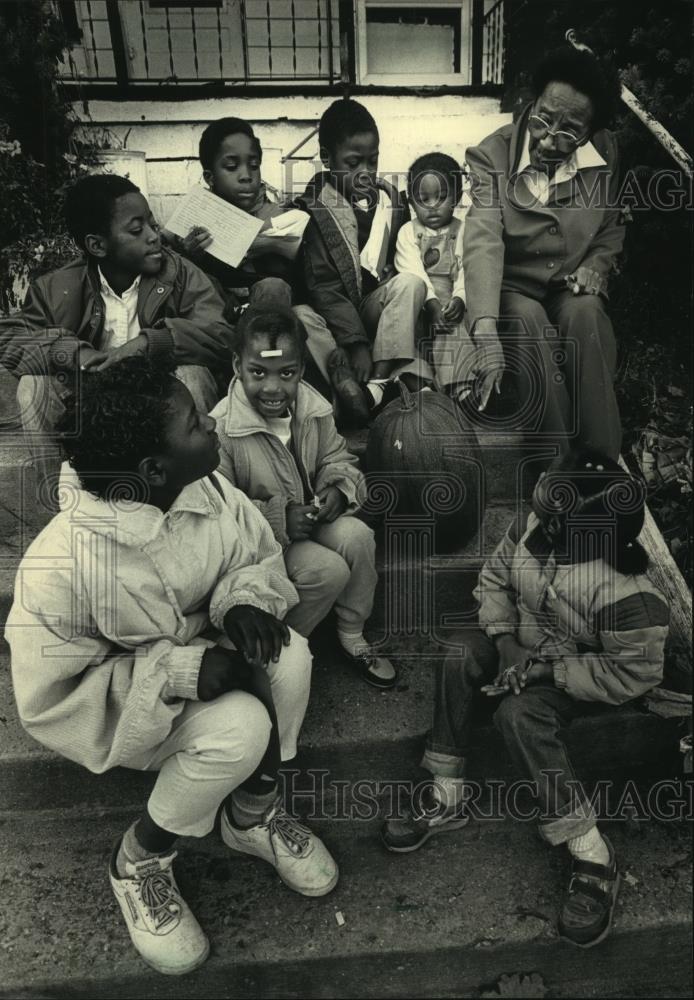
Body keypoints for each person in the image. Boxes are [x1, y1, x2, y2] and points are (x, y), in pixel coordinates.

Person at [6, 356, 338, 976]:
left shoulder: (205, 486)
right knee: (241, 728)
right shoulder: (62, 565)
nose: (211, 423)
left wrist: (242, 600)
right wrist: (180, 672)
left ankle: (251, 815)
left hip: (209, 657)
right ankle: (139, 860)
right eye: (193, 422)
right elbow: (51, 699)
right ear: (153, 470)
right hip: (132, 710)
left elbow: (254, 553)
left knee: (288, 655)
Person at [381, 449, 669, 948]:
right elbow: (494, 579)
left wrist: (545, 672)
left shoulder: (630, 595)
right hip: (521, 644)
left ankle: (591, 851)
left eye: (558, 523)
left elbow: (634, 671)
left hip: (580, 677)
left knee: (519, 715)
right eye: (545, 513)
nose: (543, 528)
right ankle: (446, 792)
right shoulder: (534, 526)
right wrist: (504, 641)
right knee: (457, 653)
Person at [0, 173, 232, 502]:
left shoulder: (180, 275)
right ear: (97, 244)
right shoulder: (56, 287)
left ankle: (201, 499)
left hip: (161, 402)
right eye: (137, 230)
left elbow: (221, 336)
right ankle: (63, 508)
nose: (155, 237)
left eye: (153, 224)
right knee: (32, 388)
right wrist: (73, 354)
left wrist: (151, 344)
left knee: (194, 376)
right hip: (95, 406)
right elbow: (11, 339)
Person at [211, 305, 397, 688]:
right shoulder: (223, 429)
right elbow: (221, 514)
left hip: (314, 520)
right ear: (236, 365)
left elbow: (337, 457)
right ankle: (276, 650)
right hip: (266, 545)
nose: (274, 388)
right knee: (328, 570)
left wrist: (338, 491)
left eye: (287, 373)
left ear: (301, 369)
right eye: (257, 372)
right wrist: (279, 518)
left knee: (358, 536)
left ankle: (351, 633)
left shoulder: (313, 408)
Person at [463, 46, 626, 461]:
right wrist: (484, 330)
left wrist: (596, 264)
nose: (549, 140)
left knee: (586, 312)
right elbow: (483, 236)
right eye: (543, 119)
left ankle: (601, 462)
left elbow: (609, 226)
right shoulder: (490, 155)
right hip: (514, 286)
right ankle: (554, 469)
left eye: (570, 131)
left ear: (591, 132)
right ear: (531, 103)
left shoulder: (605, 152)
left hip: (567, 284)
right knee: (528, 320)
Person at [295, 98, 434, 419]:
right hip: (332, 317)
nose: (365, 173)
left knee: (411, 284)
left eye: (373, 162)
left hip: (373, 306)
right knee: (301, 317)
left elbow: (401, 262)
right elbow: (325, 287)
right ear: (327, 159)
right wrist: (357, 345)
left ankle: (378, 380)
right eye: (354, 163)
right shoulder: (316, 210)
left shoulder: (391, 202)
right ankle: (344, 383)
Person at [394, 151, 474, 397]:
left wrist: (460, 297)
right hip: (422, 300)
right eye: (423, 199)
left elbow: (466, 268)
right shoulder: (409, 232)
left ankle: (460, 384)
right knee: (408, 328)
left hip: (451, 298)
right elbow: (411, 268)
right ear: (411, 201)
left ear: (457, 197)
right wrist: (431, 303)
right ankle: (419, 381)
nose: (432, 207)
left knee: (453, 326)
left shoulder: (462, 230)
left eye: (441, 197)